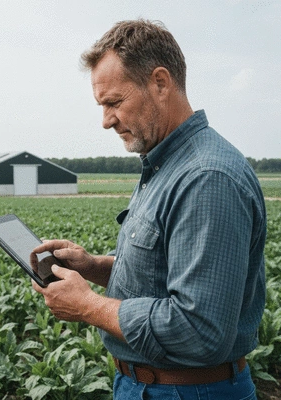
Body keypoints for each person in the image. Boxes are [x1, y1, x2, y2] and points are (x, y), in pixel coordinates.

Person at [31, 19, 266, 400]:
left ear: (160, 83)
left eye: (114, 102)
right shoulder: (165, 165)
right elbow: (162, 277)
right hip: (148, 385)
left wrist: (89, 306)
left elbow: (199, 330)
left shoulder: (206, 177)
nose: (106, 120)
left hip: (190, 391)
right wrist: (93, 266)